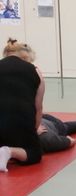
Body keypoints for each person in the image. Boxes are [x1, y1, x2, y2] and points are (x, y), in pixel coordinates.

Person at [0, 39, 44, 172]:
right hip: (22, 124)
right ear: (25, 57)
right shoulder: (36, 72)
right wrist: (34, 131)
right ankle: (10, 151)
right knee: (35, 153)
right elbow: (38, 108)